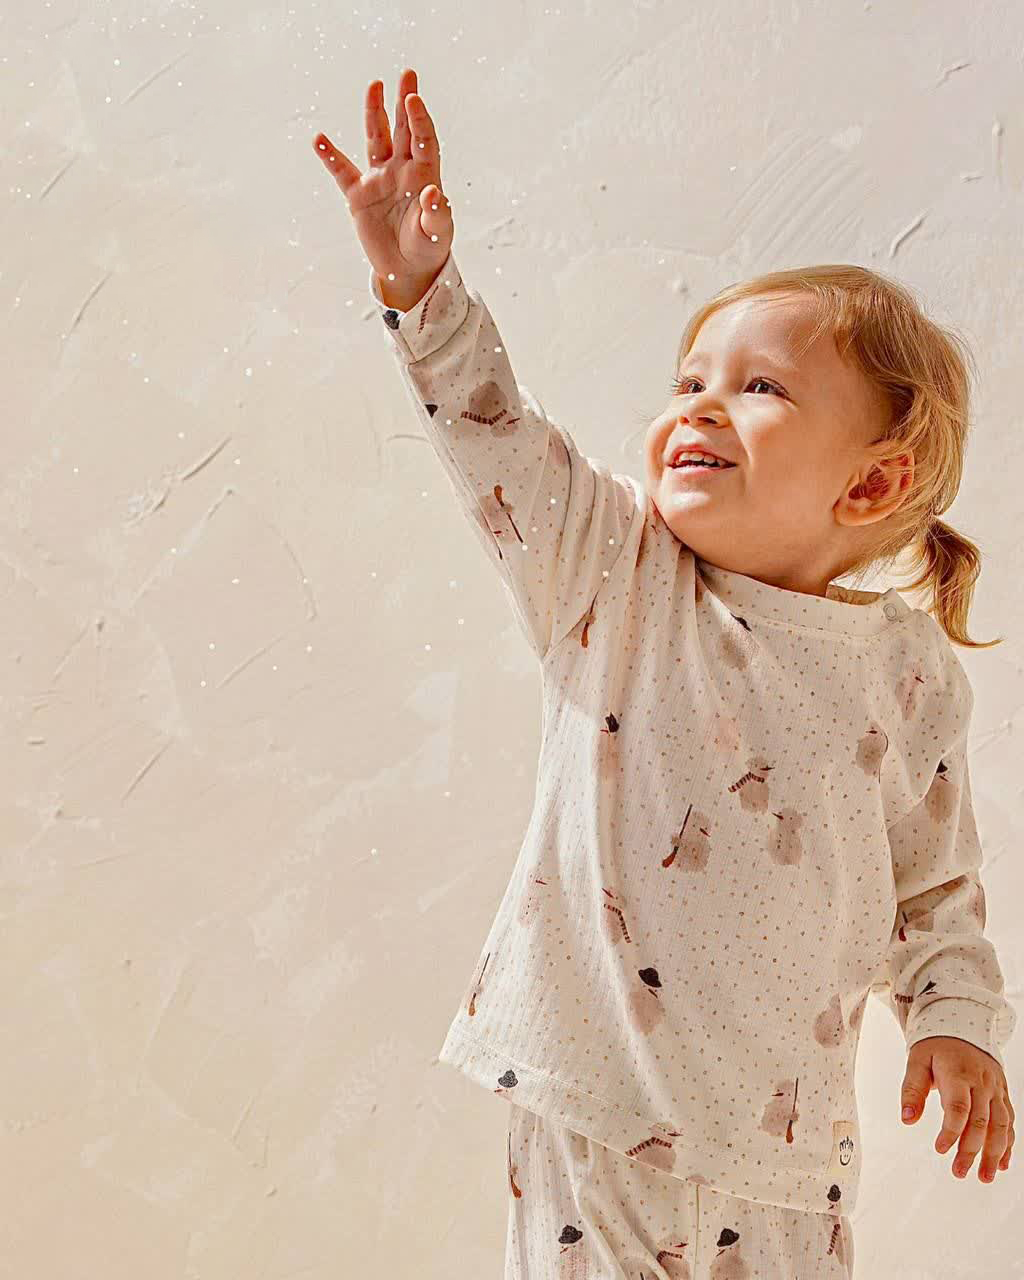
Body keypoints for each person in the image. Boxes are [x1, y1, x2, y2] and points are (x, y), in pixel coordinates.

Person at [312, 67, 1017, 1279]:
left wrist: (954, 1018)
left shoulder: (901, 672)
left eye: (758, 386)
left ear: (870, 483)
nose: (698, 405)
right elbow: (494, 432)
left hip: (783, 1148)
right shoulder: (615, 569)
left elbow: (934, 881)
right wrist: (422, 290)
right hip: (592, 1100)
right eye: (689, 379)